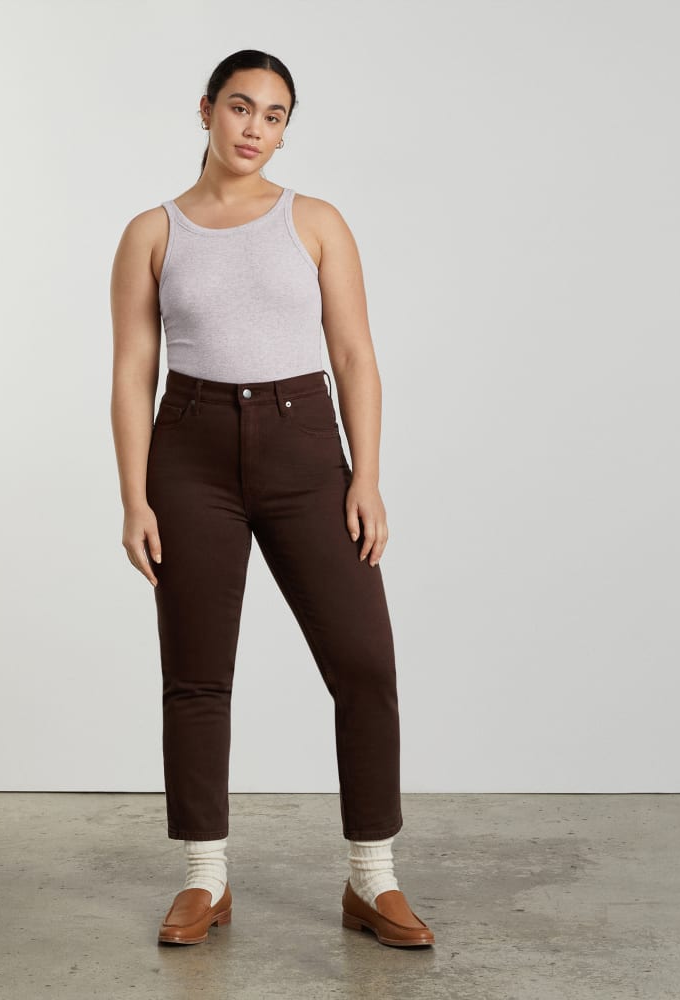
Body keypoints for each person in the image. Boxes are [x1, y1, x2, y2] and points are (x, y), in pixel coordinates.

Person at [109, 49, 434, 949]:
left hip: (305, 448)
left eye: (275, 114)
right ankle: (204, 877)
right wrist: (134, 497)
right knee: (196, 672)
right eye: (240, 107)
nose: (255, 127)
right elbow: (133, 372)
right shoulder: (152, 232)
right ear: (206, 109)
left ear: (286, 129)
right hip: (190, 453)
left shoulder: (315, 221)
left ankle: (372, 878)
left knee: (363, 662)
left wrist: (365, 475)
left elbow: (355, 355)